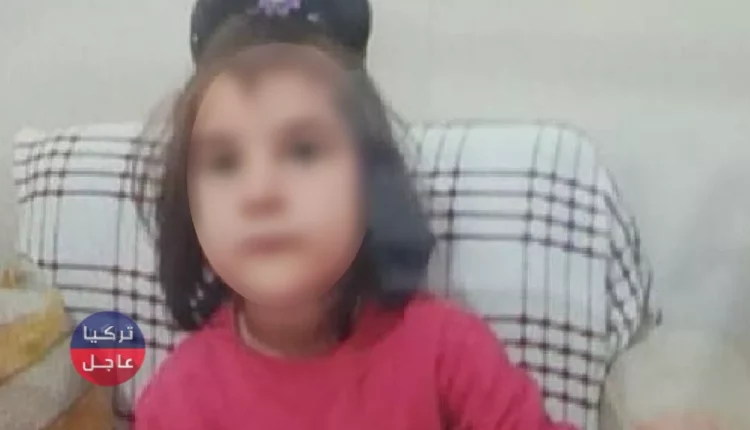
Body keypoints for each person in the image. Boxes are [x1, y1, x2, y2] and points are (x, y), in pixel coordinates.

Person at [133, 3, 575, 429]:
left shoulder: (447, 351)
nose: (260, 192)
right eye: (225, 162)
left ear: (371, 182)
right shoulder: (178, 401)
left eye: (303, 151)